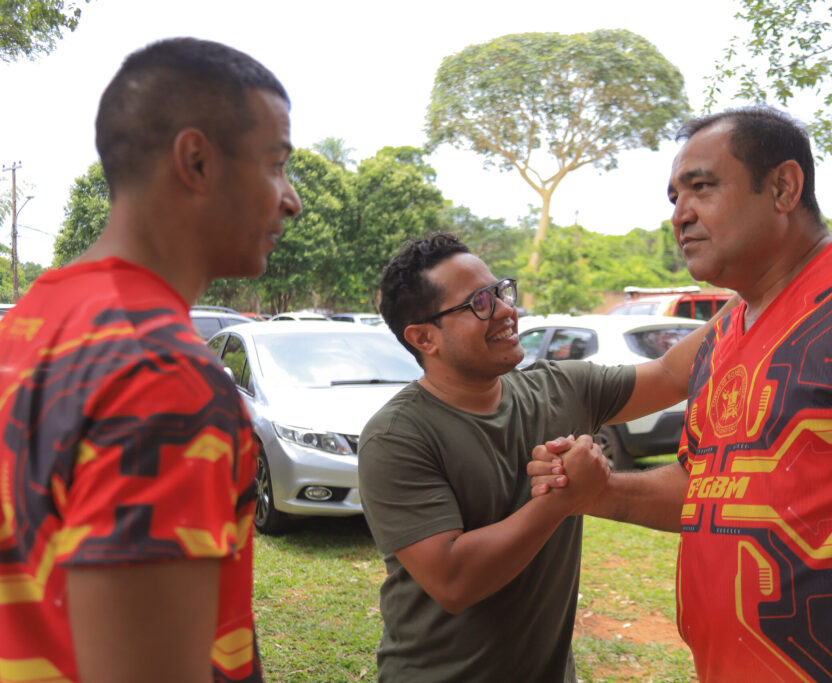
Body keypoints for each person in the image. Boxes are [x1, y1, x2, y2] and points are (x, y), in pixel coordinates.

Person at [531, 106, 832, 681]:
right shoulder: (724, 334)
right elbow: (716, 489)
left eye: (702, 187)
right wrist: (600, 491)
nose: (680, 215)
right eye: (673, 198)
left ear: (784, 187)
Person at [0, 38, 301, 682]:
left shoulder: (27, 326)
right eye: (276, 164)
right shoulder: (164, 378)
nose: (290, 199)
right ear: (195, 161)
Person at [357, 233, 724, 681]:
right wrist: (562, 500)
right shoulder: (398, 436)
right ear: (424, 338)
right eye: (479, 303)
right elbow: (453, 580)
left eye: (500, 292)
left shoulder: (558, 389)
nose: (507, 310)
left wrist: (763, 292)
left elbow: (670, 374)